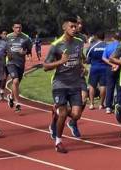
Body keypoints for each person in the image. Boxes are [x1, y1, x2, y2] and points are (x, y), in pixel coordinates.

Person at [44, 17, 84, 153]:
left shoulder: (79, 42)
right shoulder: (56, 45)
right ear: (64, 28)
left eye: (75, 26)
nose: (74, 29)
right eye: (71, 26)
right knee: (63, 113)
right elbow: (45, 66)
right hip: (60, 84)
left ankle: (55, 113)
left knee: (76, 115)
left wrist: (83, 67)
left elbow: (79, 59)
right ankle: (58, 142)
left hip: (75, 84)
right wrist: (60, 61)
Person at [6, 21, 32, 113]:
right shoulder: (8, 37)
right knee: (15, 80)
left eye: (20, 27)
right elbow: (3, 48)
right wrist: (7, 54)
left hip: (21, 63)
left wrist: (26, 53)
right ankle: (17, 103)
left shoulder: (26, 38)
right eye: (16, 27)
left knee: (16, 84)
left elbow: (29, 49)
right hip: (11, 63)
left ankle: (11, 97)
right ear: (13, 28)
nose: (18, 29)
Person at [102, 31, 121, 114]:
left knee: (110, 87)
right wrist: (117, 65)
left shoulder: (108, 46)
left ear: (113, 38)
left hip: (109, 68)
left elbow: (103, 58)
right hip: (120, 68)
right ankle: (118, 105)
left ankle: (108, 107)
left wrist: (112, 64)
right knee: (119, 87)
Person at [86, 31, 107, 110]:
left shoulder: (92, 46)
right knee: (103, 86)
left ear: (97, 37)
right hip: (104, 68)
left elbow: (87, 59)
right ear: (104, 37)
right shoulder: (107, 46)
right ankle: (101, 104)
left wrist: (90, 61)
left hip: (94, 68)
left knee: (92, 85)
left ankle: (91, 104)